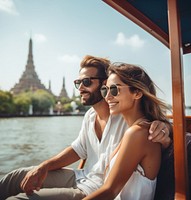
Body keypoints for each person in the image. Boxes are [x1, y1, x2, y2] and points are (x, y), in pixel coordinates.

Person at [0, 56, 171, 200]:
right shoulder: (92, 115)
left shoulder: (129, 121)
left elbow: (153, 122)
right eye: (78, 82)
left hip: (96, 189)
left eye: (87, 82)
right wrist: (43, 166)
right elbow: (77, 149)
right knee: (14, 178)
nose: (80, 88)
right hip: (84, 177)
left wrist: (165, 128)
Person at [83, 62, 170, 200]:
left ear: (137, 93)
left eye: (114, 90)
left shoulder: (138, 133)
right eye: (105, 90)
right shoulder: (133, 130)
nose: (107, 97)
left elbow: (109, 191)